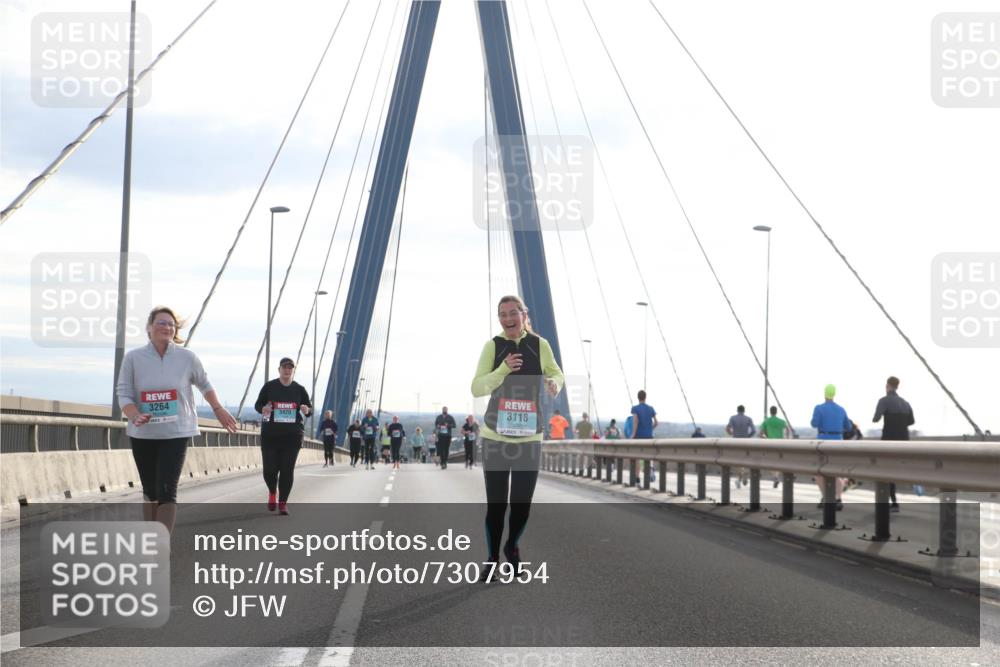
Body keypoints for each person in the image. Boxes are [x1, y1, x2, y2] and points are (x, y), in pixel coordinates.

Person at [117, 306, 237, 533]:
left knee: (167, 490)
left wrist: (218, 408)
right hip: (143, 433)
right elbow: (123, 393)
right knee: (150, 491)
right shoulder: (133, 358)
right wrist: (134, 414)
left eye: (171, 324)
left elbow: (205, 385)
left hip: (176, 432)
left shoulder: (187, 358)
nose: (167, 327)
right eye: (161, 322)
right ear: (149, 328)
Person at [472, 295, 564, 581]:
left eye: (513, 313)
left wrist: (554, 383)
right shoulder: (493, 346)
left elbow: (556, 373)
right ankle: (492, 558)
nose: (508, 318)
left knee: (522, 504)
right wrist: (502, 369)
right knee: (497, 505)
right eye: (503, 314)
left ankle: (512, 546)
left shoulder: (540, 345)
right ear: (499, 319)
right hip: (495, 437)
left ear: (524, 315)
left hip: (528, 438)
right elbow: (477, 387)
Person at [255, 357, 311, 515]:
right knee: (269, 470)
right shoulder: (269, 387)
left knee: (287, 471)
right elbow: (258, 404)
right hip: (270, 435)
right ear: (279, 369)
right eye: (284, 367)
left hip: (292, 436)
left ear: (293, 370)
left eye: (290, 368)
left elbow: (308, 408)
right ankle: (273, 492)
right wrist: (263, 409)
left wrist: (307, 410)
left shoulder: (299, 389)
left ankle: (283, 503)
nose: (287, 370)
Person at [873, 376, 915, 512]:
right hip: (904, 441)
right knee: (897, 470)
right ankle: (894, 500)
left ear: (887, 386)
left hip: (889, 441)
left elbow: (876, 418)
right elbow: (911, 421)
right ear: (897, 386)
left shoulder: (883, 401)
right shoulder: (905, 403)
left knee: (886, 470)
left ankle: (892, 501)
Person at [810, 384, 852, 510]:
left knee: (818, 472)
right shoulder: (841, 409)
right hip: (838, 442)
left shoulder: (819, 408)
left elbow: (814, 423)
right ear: (834, 394)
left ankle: (826, 498)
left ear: (825, 394)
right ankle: (838, 499)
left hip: (823, 442)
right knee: (836, 472)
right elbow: (849, 427)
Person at [631, 390, 658, 483]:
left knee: (637, 457)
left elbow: (635, 421)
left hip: (638, 436)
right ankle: (650, 472)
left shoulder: (635, 408)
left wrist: (633, 434)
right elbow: (656, 422)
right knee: (649, 456)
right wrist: (650, 429)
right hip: (649, 436)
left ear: (638, 397)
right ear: (645, 397)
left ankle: (637, 477)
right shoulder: (651, 408)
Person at [726, 405, 756, 487]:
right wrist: (748, 436)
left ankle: (740, 477)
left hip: (736, 441)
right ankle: (743, 475)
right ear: (744, 410)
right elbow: (754, 430)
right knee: (745, 459)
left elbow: (728, 428)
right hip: (745, 441)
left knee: (738, 461)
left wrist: (731, 434)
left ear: (737, 410)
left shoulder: (733, 418)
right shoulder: (748, 419)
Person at [759, 406, 789, 487]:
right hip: (780, 443)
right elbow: (787, 430)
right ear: (776, 412)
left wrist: (765, 438)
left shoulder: (766, 421)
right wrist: (787, 439)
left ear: (770, 412)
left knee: (770, 461)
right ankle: (776, 476)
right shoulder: (781, 421)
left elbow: (760, 434)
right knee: (778, 461)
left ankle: (775, 477)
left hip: (770, 444)